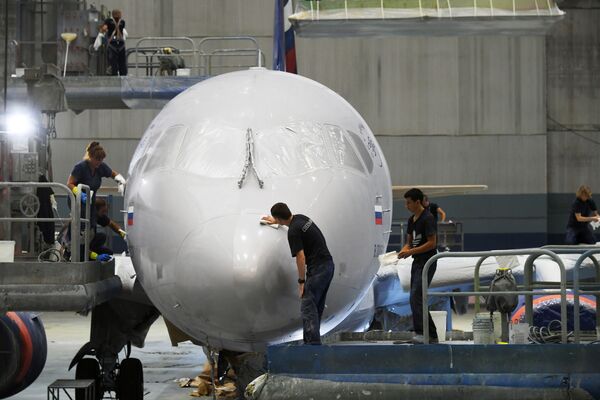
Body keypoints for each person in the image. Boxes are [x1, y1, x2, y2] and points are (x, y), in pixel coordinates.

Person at [261, 203, 335, 345]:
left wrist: (301, 282)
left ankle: (312, 346)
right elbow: (291, 224)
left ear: (279, 218)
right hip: (328, 265)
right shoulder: (301, 218)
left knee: (307, 304)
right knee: (316, 306)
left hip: (318, 269)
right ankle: (314, 342)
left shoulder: (293, 232)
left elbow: (300, 257)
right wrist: (276, 221)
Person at [66, 141, 126, 261]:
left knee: (92, 224)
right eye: (97, 159)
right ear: (91, 157)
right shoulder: (80, 167)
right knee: (82, 225)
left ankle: (89, 250)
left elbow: (113, 174)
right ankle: (80, 253)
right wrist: (80, 194)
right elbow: (69, 184)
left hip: (90, 200)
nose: (99, 162)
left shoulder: (100, 167)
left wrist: (121, 181)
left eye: (101, 159)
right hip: (79, 199)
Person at [397, 188, 439, 344]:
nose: (406, 206)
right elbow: (409, 242)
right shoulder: (411, 220)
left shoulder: (428, 218)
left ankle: (423, 333)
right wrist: (404, 250)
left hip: (428, 260)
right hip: (417, 261)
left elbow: (432, 243)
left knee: (417, 296)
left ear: (417, 202)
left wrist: (411, 251)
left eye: (409, 203)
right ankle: (430, 334)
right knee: (415, 297)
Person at [104, 9, 128, 76]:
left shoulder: (108, 21)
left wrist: (103, 30)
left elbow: (104, 28)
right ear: (119, 14)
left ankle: (114, 75)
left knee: (113, 63)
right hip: (120, 43)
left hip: (112, 43)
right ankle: (123, 76)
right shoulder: (122, 22)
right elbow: (121, 29)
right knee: (122, 63)